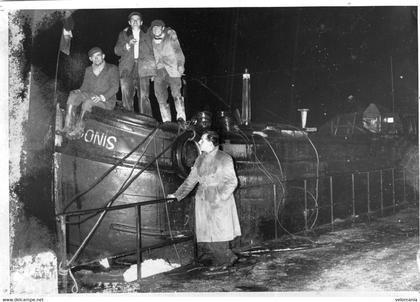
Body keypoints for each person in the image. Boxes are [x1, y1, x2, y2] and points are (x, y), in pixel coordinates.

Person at [168, 131, 241, 271]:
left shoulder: (224, 158)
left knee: (219, 233)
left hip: (218, 201)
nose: (199, 143)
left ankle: (227, 259)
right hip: (203, 201)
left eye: (202, 140)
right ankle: (221, 260)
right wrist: (177, 195)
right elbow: (190, 180)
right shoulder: (200, 159)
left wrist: (220, 196)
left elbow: (232, 182)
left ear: (211, 143)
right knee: (207, 234)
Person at [62, 47, 119, 139]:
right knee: (73, 96)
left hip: (106, 100)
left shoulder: (112, 68)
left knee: (88, 102)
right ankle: (68, 126)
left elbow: (115, 87)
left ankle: (79, 130)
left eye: (98, 56)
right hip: (91, 95)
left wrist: (102, 97)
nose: (96, 58)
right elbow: (85, 87)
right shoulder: (88, 69)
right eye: (93, 57)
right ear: (90, 59)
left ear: (103, 56)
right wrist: (79, 91)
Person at [114, 11, 156, 114]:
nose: (135, 21)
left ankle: (146, 122)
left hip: (144, 67)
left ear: (141, 22)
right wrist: (127, 45)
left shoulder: (148, 33)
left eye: (137, 20)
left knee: (144, 96)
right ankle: (128, 120)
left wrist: (153, 70)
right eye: (133, 20)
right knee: (126, 95)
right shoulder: (123, 34)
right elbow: (116, 50)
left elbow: (155, 48)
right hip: (127, 68)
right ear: (129, 22)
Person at [149, 19, 186, 123]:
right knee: (160, 96)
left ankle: (181, 117)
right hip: (159, 71)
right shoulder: (151, 41)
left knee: (176, 93)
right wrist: (152, 72)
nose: (156, 29)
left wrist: (180, 65)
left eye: (158, 27)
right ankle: (166, 121)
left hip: (173, 69)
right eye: (154, 28)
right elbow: (151, 58)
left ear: (163, 28)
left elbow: (179, 52)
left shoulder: (170, 36)